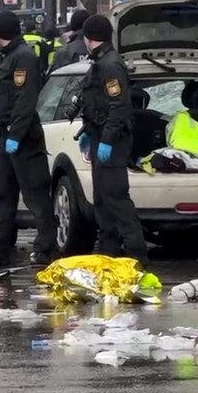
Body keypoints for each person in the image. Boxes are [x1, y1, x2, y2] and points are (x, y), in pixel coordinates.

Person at [0, 10, 58, 278]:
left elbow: (25, 100)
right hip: (7, 137)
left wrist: (16, 136)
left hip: (24, 140)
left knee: (35, 197)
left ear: (0, 33)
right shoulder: (11, 56)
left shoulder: (23, 58)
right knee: (1, 195)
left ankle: (45, 248)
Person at [77, 14, 148, 262]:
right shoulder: (101, 62)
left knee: (116, 199)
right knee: (102, 201)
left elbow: (119, 107)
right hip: (100, 137)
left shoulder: (109, 65)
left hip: (112, 141)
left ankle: (137, 255)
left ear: (89, 38)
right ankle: (108, 255)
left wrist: (107, 140)